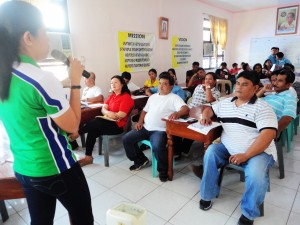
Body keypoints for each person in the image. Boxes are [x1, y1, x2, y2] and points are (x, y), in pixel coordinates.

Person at [0, 1, 94, 224]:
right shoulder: (41, 78)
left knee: (40, 222)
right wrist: (74, 81)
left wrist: (64, 81)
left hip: (24, 167)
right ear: (28, 37)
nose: (49, 39)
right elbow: (72, 126)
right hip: (56, 167)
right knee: (83, 219)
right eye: (44, 32)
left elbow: (30, 108)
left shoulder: (7, 74)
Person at [198, 71, 278, 225]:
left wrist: (246, 155)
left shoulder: (262, 108)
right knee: (210, 153)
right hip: (228, 147)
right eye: (238, 83)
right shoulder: (226, 103)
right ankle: (207, 195)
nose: (239, 87)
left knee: (256, 174)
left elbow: (268, 136)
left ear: (255, 88)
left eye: (245, 84)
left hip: (258, 152)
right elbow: (209, 108)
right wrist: (206, 115)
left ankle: (249, 213)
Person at [122, 73, 189, 182]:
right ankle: (140, 160)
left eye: (165, 84)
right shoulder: (153, 97)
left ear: (171, 86)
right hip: (145, 128)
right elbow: (144, 111)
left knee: (157, 146)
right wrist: (140, 121)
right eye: (160, 83)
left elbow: (185, 108)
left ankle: (163, 170)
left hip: (160, 131)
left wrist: (178, 113)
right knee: (127, 139)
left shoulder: (174, 97)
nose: (161, 86)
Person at [69, 76, 134, 166]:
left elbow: (119, 116)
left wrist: (108, 113)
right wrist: (109, 113)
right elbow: (103, 109)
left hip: (117, 126)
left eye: (115, 82)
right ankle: (88, 157)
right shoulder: (112, 96)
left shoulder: (126, 97)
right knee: (93, 129)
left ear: (122, 84)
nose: (113, 85)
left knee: (97, 121)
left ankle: (78, 133)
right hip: (107, 122)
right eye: (111, 83)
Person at [173, 72, 221, 160]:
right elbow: (193, 99)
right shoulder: (198, 87)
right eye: (206, 79)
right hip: (189, 109)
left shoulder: (216, 92)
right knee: (176, 124)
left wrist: (208, 88)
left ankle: (184, 149)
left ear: (214, 81)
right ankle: (177, 151)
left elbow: (209, 99)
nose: (207, 81)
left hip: (201, 114)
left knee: (192, 127)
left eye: (210, 79)